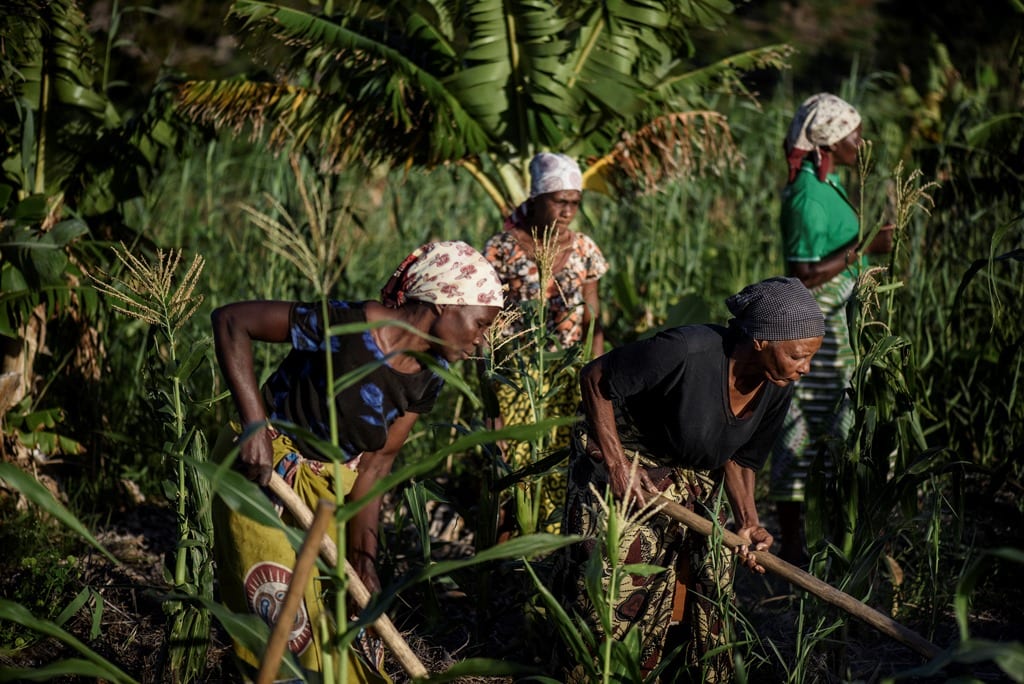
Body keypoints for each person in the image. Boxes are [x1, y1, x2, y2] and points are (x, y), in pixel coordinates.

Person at [210, 240, 503, 680]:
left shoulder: (429, 378)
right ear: (444, 304)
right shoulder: (346, 326)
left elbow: (376, 467)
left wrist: (364, 561)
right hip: (265, 473)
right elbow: (232, 320)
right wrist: (254, 426)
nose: (480, 342)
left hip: (333, 496)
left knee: (355, 637)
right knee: (288, 624)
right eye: (480, 325)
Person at [555, 276, 825, 681]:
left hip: (690, 467)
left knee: (712, 569)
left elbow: (739, 460)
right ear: (761, 341)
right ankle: (602, 670)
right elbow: (595, 378)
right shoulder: (686, 350)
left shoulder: (777, 384)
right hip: (624, 453)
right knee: (616, 574)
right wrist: (615, 464)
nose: (805, 368)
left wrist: (748, 521)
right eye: (798, 356)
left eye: (810, 358)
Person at [770, 93, 894, 564]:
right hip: (813, 326)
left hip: (835, 322)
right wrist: (863, 247)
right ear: (827, 142)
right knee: (807, 427)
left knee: (835, 426)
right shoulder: (806, 197)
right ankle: (795, 547)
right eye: (852, 134)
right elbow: (802, 271)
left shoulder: (827, 182)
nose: (860, 141)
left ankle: (826, 539)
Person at [482, 152, 609, 535]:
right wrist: (489, 394)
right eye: (560, 201)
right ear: (537, 198)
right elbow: (485, 323)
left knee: (560, 462)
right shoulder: (502, 248)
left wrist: (597, 385)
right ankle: (505, 557)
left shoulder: (584, 249)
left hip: (565, 374)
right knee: (515, 465)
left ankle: (548, 556)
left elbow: (593, 322)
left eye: (574, 202)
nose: (568, 210)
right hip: (516, 374)